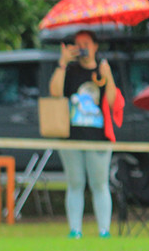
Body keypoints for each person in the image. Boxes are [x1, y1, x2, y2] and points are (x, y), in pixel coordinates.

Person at [48, 29, 121, 239]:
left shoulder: (103, 70)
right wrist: (62, 63)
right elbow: (55, 93)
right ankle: (75, 230)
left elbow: (113, 102)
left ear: (96, 46)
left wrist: (108, 77)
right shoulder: (69, 70)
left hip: (99, 139)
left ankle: (104, 231)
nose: (82, 47)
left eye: (86, 43)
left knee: (100, 184)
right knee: (75, 184)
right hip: (71, 139)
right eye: (78, 43)